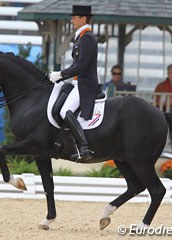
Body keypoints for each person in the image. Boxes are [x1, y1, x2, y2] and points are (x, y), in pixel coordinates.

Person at [49, 5, 98, 162]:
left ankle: (84, 148)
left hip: (85, 84)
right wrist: (60, 76)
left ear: (83, 19)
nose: (72, 21)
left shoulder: (87, 38)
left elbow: (81, 66)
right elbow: (76, 66)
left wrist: (61, 74)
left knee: (65, 111)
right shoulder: (81, 37)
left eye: (74, 18)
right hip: (78, 82)